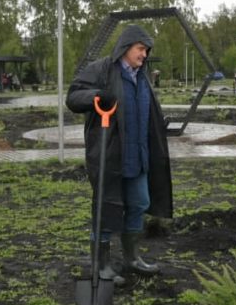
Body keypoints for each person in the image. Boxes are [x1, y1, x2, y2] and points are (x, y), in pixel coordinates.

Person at [67, 24, 171, 285]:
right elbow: (73, 96)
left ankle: (132, 259)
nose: (144, 54)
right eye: (140, 49)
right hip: (111, 155)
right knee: (106, 208)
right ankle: (101, 265)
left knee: (139, 203)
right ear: (126, 47)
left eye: (146, 50)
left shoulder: (142, 76)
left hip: (139, 157)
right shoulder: (102, 69)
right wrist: (95, 96)